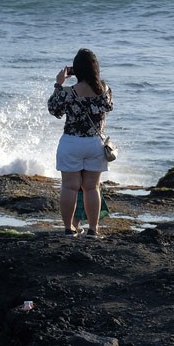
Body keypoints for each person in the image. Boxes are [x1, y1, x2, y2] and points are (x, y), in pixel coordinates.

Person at [48, 48, 113, 238]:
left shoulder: (68, 92)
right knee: (92, 187)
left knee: (70, 186)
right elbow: (109, 106)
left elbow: (53, 109)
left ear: (76, 70)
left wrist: (59, 84)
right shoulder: (105, 91)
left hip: (71, 142)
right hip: (94, 143)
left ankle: (69, 229)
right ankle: (93, 230)